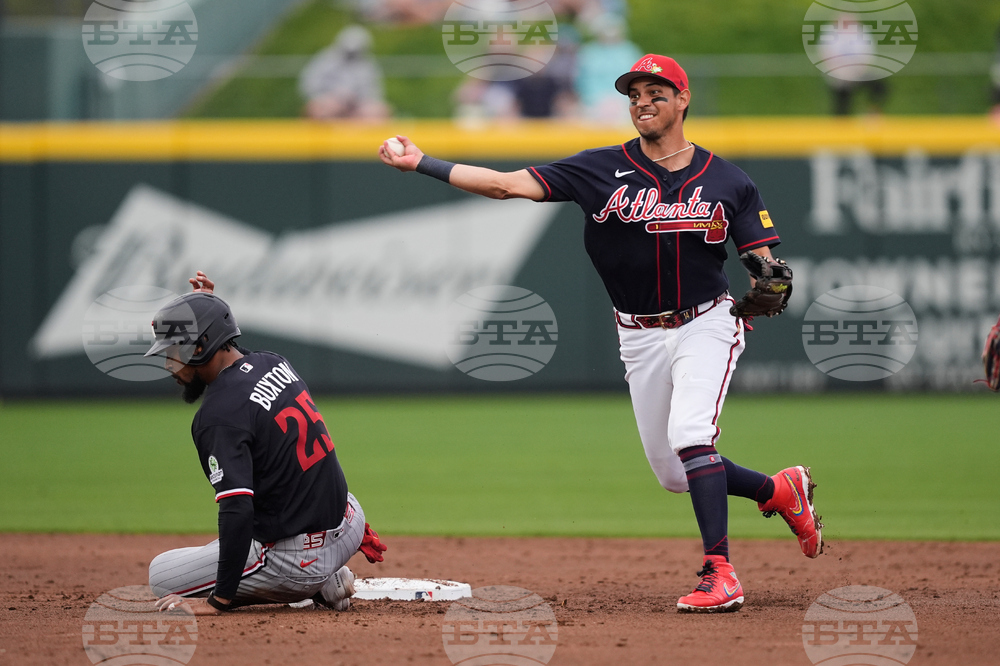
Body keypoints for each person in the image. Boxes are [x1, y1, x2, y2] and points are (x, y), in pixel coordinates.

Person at [379, 54, 822, 613]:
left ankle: (721, 572)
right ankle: (780, 491)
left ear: (683, 100)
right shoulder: (599, 170)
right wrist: (422, 162)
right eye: (633, 93)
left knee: (691, 435)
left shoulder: (729, 181)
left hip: (707, 322)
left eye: (655, 92)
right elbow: (503, 185)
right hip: (637, 332)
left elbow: (765, 262)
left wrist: (768, 278)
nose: (642, 101)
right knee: (673, 471)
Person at [146, 272, 387, 616]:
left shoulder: (217, 416)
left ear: (200, 347)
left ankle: (318, 583)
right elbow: (231, 359)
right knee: (257, 522)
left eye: (175, 351)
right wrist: (210, 310)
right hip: (349, 521)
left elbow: (237, 511)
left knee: (162, 574)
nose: (171, 365)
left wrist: (218, 601)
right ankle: (327, 574)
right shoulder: (273, 362)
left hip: (298, 562)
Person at [299, 25, 390, 121]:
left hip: (357, 105)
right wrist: (330, 98)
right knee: (318, 109)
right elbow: (310, 84)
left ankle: (356, 134)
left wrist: (358, 101)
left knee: (379, 111)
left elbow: (374, 91)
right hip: (329, 101)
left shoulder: (368, 64)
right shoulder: (326, 60)